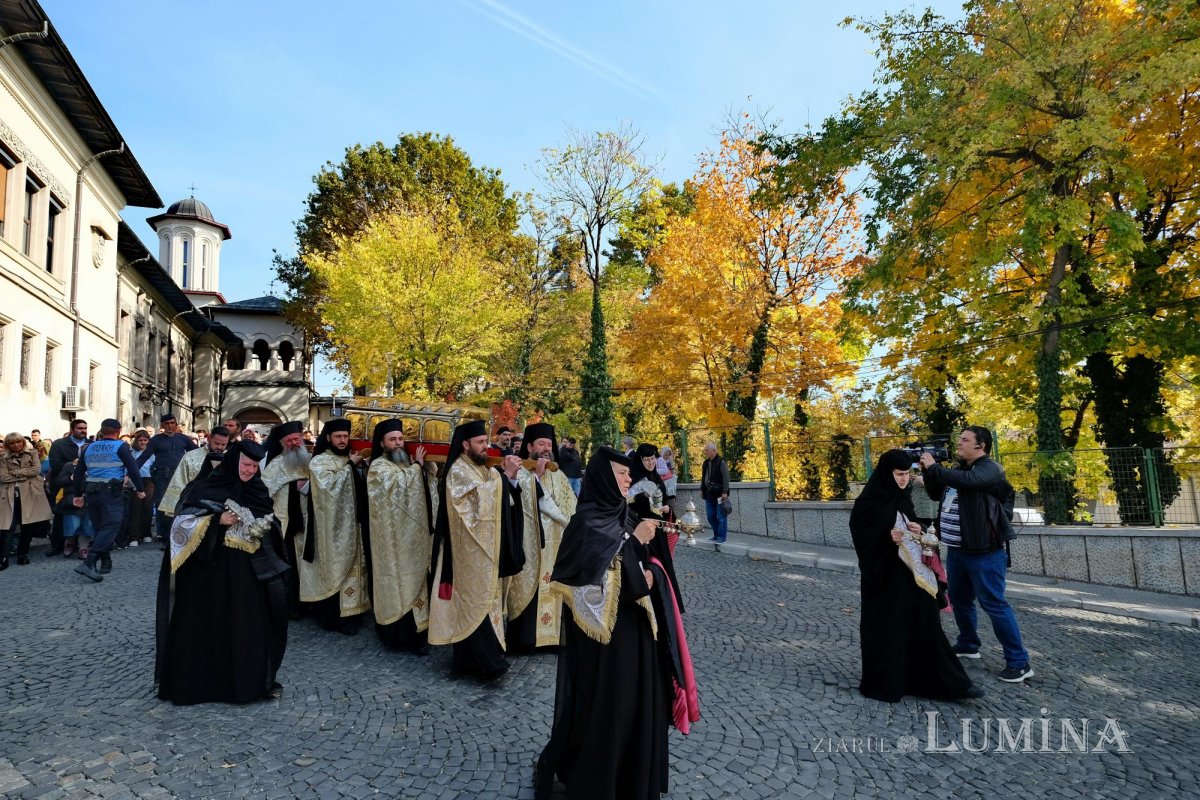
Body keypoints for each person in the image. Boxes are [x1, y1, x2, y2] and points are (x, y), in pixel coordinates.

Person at [536, 447, 697, 800]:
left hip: (639, 633)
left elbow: (646, 563)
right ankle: (602, 781)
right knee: (614, 708)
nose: (628, 479)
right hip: (606, 647)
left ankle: (634, 780)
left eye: (628, 474)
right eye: (621, 474)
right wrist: (635, 543)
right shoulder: (586, 521)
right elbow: (585, 585)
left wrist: (653, 566)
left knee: (640, 705)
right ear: (604, 478)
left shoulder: (625, 515)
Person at [156, 440, 291, 705]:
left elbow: (270, 520)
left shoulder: (257, 489)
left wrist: (264, 525)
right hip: (208, 577)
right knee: (206, 628)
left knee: (245, 626)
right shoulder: (205, 486)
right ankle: (199, 685)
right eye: (246, 464)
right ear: (234, 461)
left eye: (255, 466)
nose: (250, 470)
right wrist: (217, 521)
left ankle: (243, 685)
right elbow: (181, 524)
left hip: (245, 577)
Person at [850, 449, 983, 703]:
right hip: (885, 581)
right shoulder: (869, 503)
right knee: (890, 631)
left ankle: (948, 683)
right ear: (886, 473)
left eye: (907, 475)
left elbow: (916, 533)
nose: (903, 479)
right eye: (898, 474)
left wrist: (918, 528)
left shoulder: (903, 498)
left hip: (913, 578)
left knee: (926, 627)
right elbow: (863, 540)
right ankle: (888, 683)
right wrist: (886, 538)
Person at [920, 426, 1031, 683]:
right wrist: (929, 472)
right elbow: (935, 493)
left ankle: (1019, 662)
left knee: (994, 604)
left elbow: (971, 483)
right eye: (959, 438)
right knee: (959, 599)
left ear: (980, 446)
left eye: (965, 440)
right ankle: (968, 644)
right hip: (958, 550)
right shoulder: (958, 471)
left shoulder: (990, 469)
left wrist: (936, 468)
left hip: (985, 552)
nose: (959, 443)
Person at [428, 420, 525, 681]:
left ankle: (486, 656)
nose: (486, 447)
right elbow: (473, 502)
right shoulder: (458, 470)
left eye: (486, 442)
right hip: (466, 553)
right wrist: (504, 478)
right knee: (473, 602)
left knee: (487, 600)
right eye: (481, 443)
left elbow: (497, 489)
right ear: (465, 444)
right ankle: (481, 663)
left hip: (484, 551)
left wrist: (507, 479)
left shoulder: (481, 468)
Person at [366, 420, 436, 654]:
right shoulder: (378, 466)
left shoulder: (406, 462)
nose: (398, 443)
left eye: (400, 439)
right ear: (382, 443)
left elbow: (423, 487)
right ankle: (397, 636)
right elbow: (399, 485)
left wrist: (425, 469)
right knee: (396, 584)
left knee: (417, 581)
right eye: (392, 439)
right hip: (390, 541)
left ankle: (420, 633)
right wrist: (417, 466)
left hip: (413, 539)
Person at [507, 423, 578, 653]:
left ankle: (553, 638)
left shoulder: (558, 475)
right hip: (529, 543)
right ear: (529, 447)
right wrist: (534, 478)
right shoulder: (519, 471)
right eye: (541, 444)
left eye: (549, 444)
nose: (546, 449)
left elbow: (570, 508)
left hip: (557, 545)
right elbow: (515, 503)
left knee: (555, 586)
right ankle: (526, 640)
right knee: (529, 586)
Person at [300, 419, 370, 634]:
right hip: (331, 529)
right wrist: (351, 466)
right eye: (338, 436)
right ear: (329, 438)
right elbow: (327, 489)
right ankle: (335, 618)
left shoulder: (351, 458)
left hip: (354, 526)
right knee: (336, 568)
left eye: (345, 437)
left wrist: (359, 465)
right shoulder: (320, 461)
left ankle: (355, 612)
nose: (342, 440)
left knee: (358, 567)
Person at [71, 419, 146, 582]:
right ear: (118, 431)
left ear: (102, 431)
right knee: (111, 526)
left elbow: (78, 473)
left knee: (100, 528)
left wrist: (77, 494)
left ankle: (106, 561)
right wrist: (140, 490)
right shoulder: (121, 446)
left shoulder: (89, 447)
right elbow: (133, 469)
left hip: (91, 492)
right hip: (111, 492)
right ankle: (89, 562)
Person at [261, 421, 310, 616]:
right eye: (289, 441)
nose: (295, 443)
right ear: (282, 444)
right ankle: (290, 607)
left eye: (297, 439)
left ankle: (308, 602)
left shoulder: (309, 461)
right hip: (285, 523)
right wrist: (292, 485)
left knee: (305, 566)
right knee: (287, 565)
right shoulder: (275, 465)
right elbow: (265, 493)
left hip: (307, 523)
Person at [136, 414, 199, 545]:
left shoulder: (183, 438)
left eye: (172, 423)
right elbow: (144, 456)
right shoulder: (156, 440)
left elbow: (197, 453)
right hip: (162, 475)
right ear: (162, 426)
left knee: (180, 502)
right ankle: (163, 533)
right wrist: (131, 471)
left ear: (176, 424)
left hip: (180, 475)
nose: (170, 426)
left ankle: (177, 531)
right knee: (162, 504)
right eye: (167, 424)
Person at [1, 432, 53, 569]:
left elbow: (36, 470)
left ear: (23, 442)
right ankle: (3, 557)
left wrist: (15, 473)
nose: (16, 445)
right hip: (9, 496)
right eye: (12, 443)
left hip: (30, 494)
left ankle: (22, 554)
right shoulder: (3, 457)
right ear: (8, 445)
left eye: (18, 442)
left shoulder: (32, 453)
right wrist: (25, 474)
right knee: (7, 528)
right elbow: (3, 477)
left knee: (27, 527)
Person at [47, 419, 89, 556]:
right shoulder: (59, 444)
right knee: (62, 517)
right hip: (64, 487)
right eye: (79, 428)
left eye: (85, 428)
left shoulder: (91, 444)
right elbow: (55, 464)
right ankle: (59, 545)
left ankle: (83, 546)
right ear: (72, 429)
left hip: (86, 488)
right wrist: (74, 466)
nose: (83, 430)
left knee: (86, 518)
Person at [700, 442, 730, 543]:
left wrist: (725, 492)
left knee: (721, 516)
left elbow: (726, 478)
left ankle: (721, 537)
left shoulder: (721, 462)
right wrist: (702, 489)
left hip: (720, 494)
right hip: (709, 494)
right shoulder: (706, 462)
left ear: (714, 451)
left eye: (707, 450)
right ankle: (716, 535)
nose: (705, 452)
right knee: (710, 516)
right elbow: (703, 478)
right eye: (705, 450)